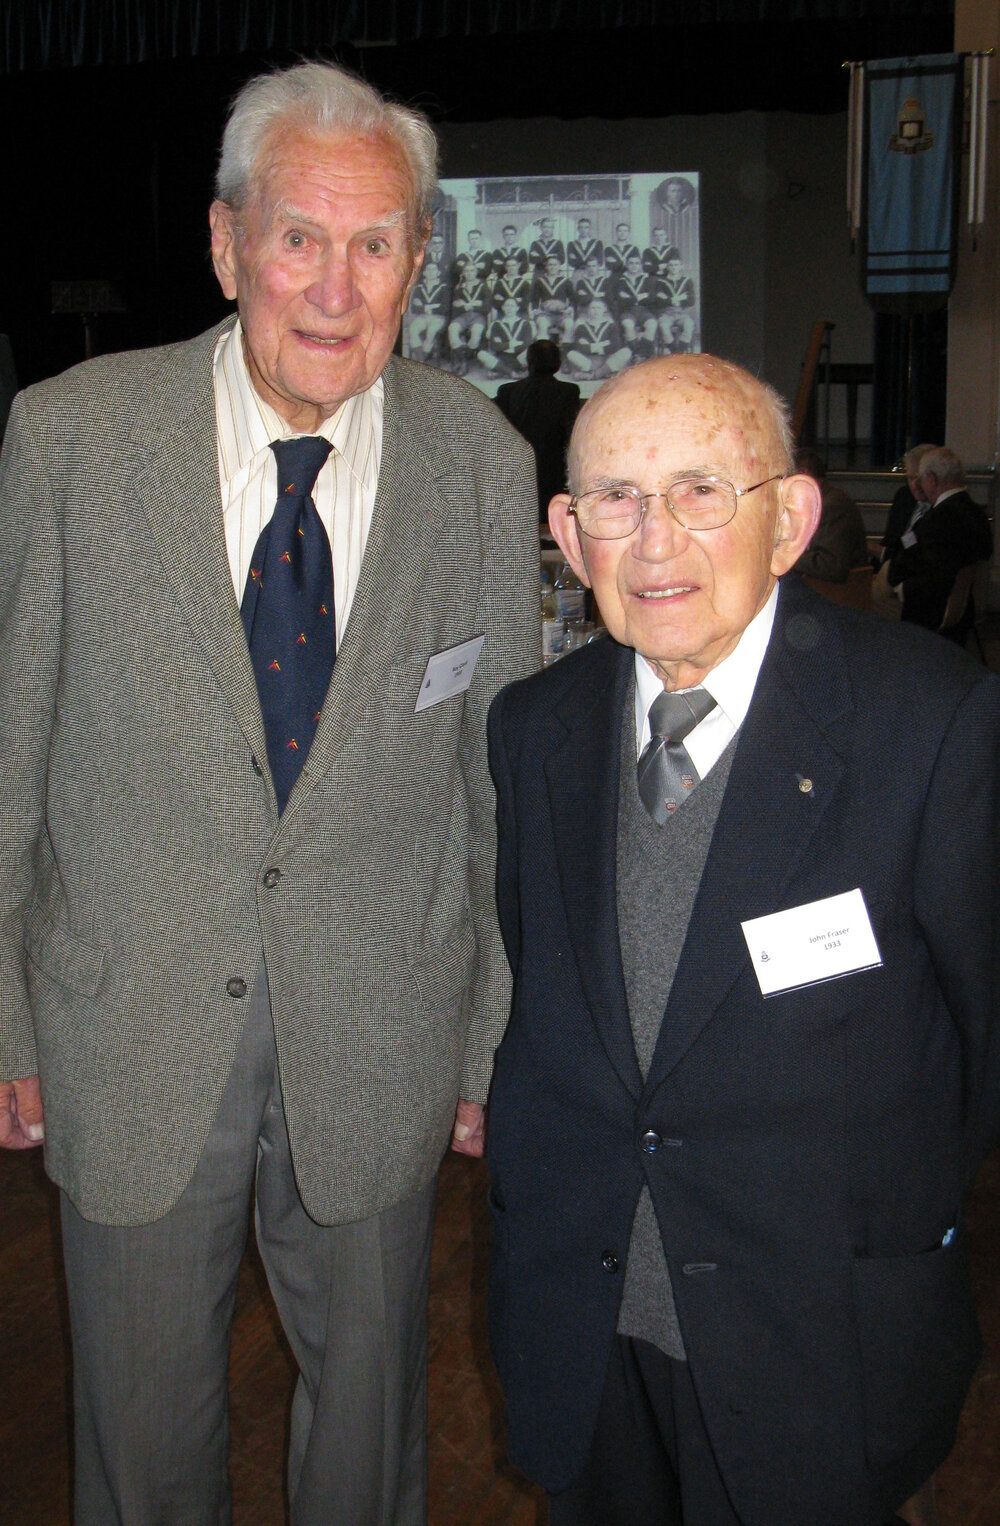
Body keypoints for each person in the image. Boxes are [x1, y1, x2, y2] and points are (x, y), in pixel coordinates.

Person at [0, 58, 540, 1526]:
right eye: (300, 235)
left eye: (377, 245)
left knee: (372, 1433)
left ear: (419, 264)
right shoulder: (69, 439)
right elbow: (8, 751)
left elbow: (502, 790)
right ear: (229, 243)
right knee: (136, 1432)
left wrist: (491, 1042)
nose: (334, 285)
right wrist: (7, 1014)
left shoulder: (485, 468)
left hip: (381, 1034)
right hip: (126, 1022)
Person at [486, 354, 1000, 1526]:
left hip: (817, 1334)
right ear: (568, 534)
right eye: (613, 498)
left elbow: (981, 1037)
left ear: (790, 519)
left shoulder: (931, 721)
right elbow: (551, 1002)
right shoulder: (533, 730)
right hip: (584, 1313)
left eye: (702, 490)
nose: (653, 539)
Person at [887, 446, 993, 636]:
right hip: (961, 611)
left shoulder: (940, 519)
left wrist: (903, 589)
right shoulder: (976, 513)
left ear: (932, 479)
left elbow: (937, 577)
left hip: (928, 615)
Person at [495, 338, 581, 515]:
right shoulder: (569, 392)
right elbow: (571, 434)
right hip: (556, 474)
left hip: (517, 475)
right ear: (558, 363)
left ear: (528, 362)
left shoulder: (508, 392)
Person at [792, 448, 870, 583]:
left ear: (804, 474)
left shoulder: (831, 506)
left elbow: (830, 566)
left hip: (837, 593)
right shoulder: (823, 500)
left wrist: (786, 557)